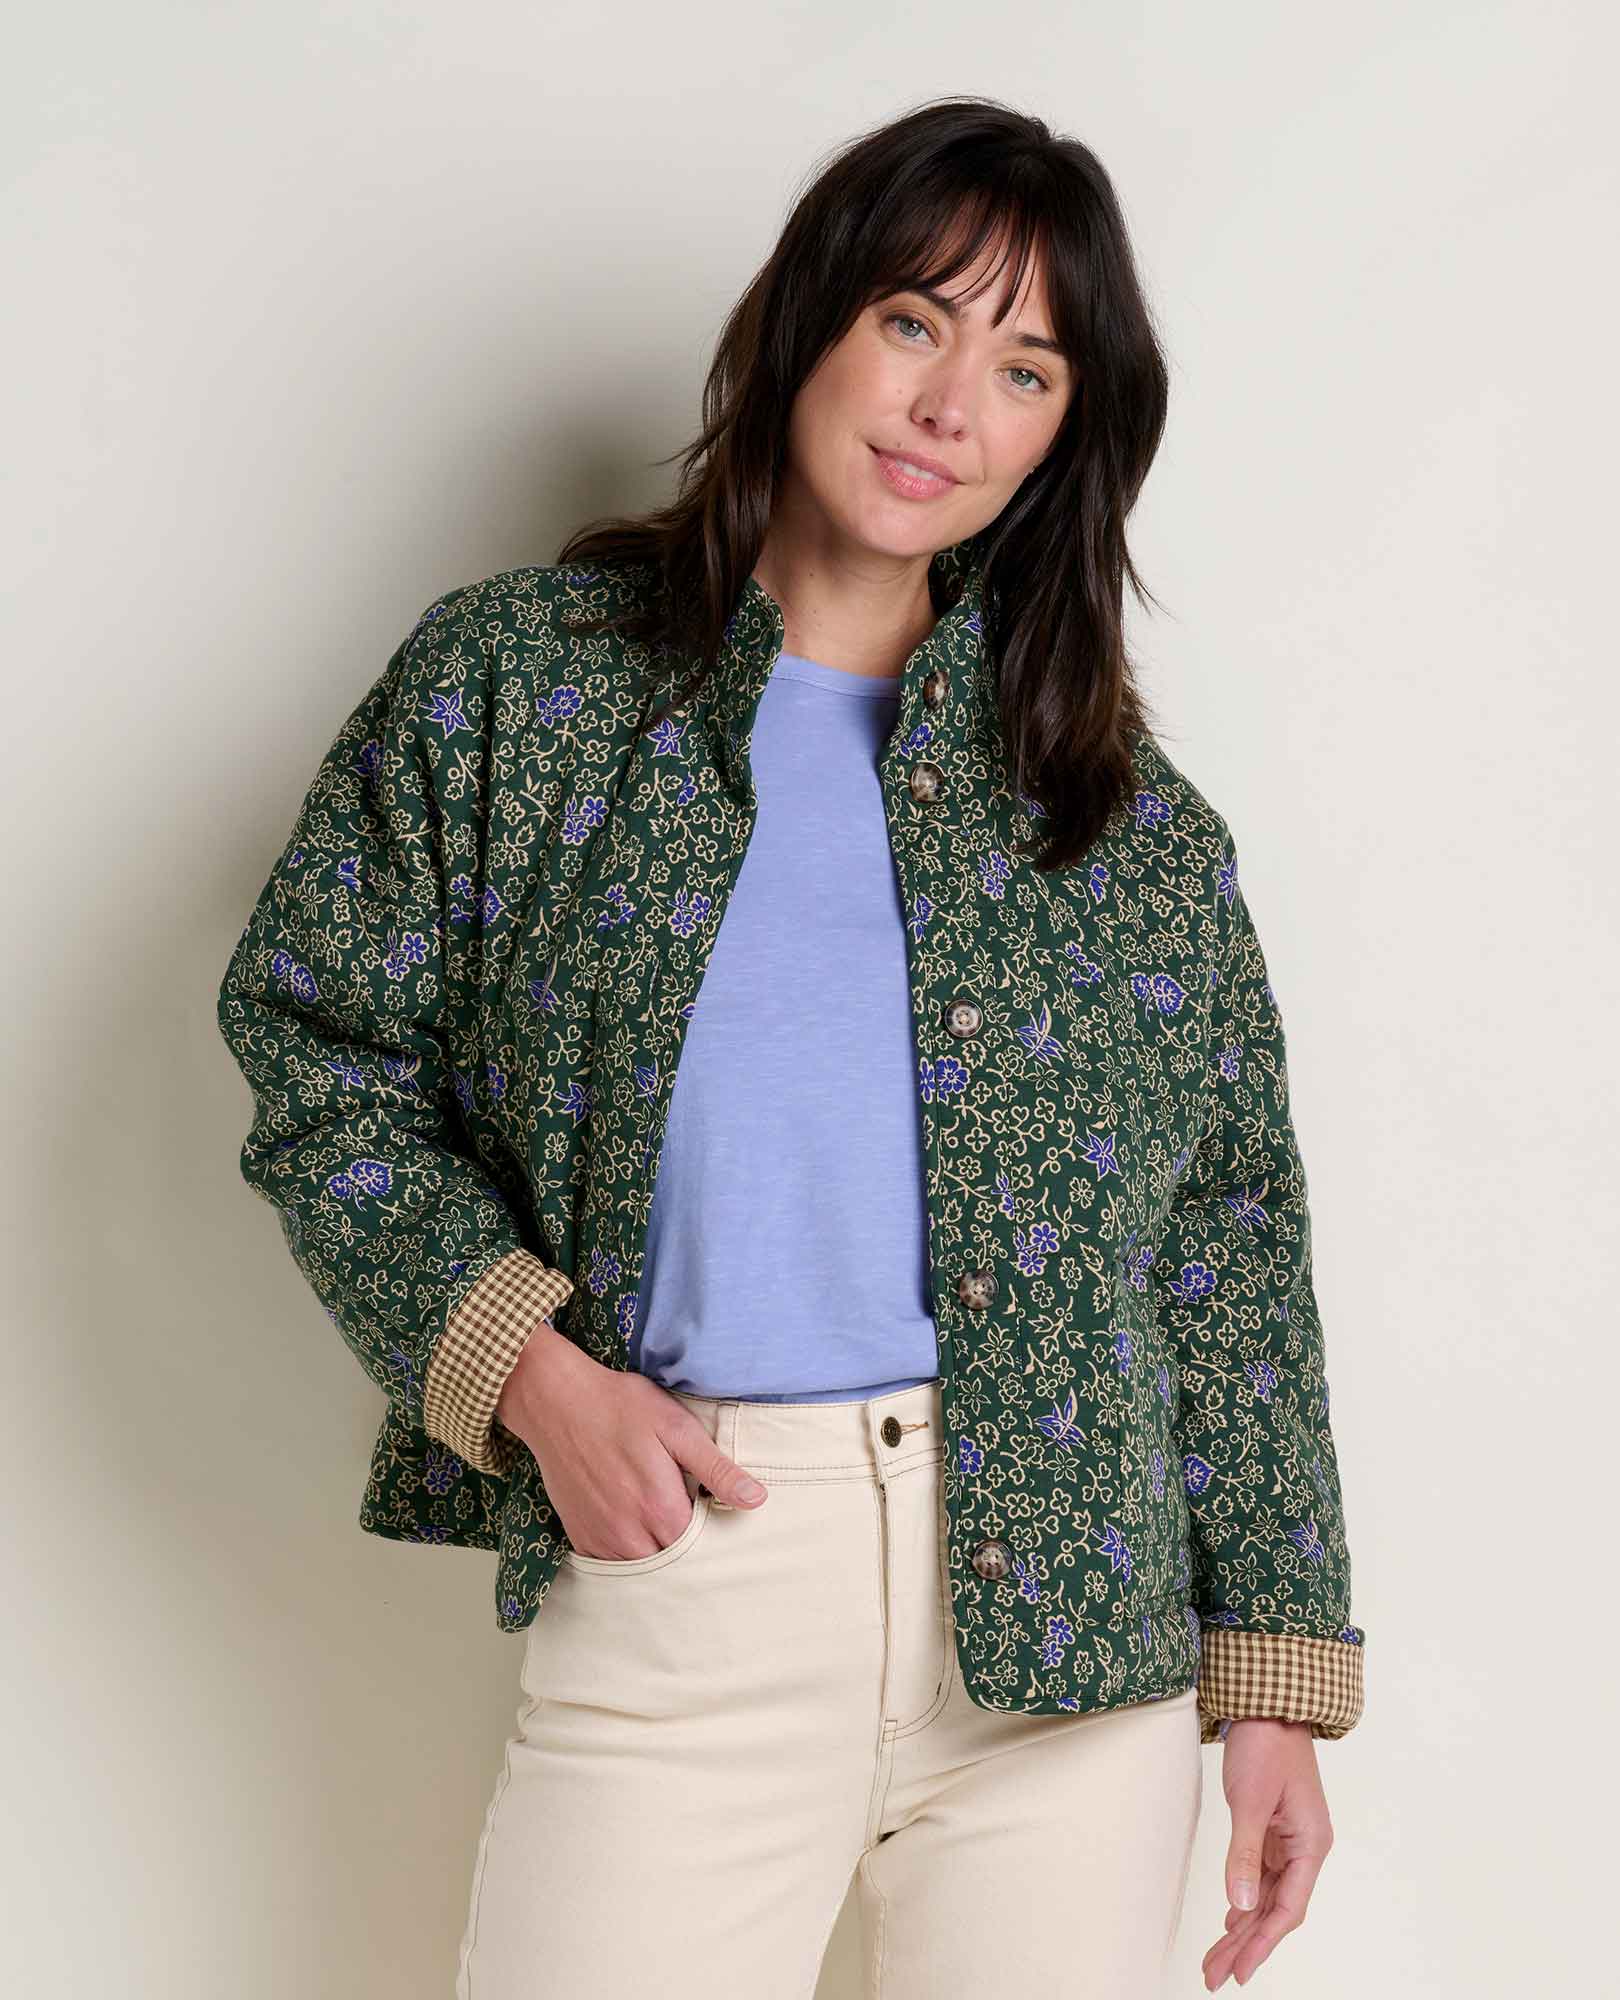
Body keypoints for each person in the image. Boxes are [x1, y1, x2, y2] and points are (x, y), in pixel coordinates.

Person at [217, 96, 1366, 2000]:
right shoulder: (525, 690)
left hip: (1074, 1631)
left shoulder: (1115, 816)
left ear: (1062, 438)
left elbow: (1227, 1246)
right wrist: (531, 1377)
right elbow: (320, 1049)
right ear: (811, 318)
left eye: (1025, 370)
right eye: (915, 321)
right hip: (698, 1567)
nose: (949, 406)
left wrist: (1275, 1686)